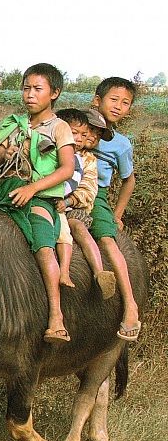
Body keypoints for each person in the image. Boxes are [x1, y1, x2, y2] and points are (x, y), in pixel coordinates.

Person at [0, 63, 76, 343]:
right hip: (4, 193)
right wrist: (5, 153)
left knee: (44, 246)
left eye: (37, 89)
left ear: (54, 93)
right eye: (26, 88)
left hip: (39, 197)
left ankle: (56, 317)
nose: (30, 95)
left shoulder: (60, 128)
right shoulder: (13, 126)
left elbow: (67, 169)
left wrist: (33, 187)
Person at [89, 77, 141, 341]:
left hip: (93, 196)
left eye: (126, 103)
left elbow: (128, 179)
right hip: (61, 189)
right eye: (114, 99)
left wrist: (117, 214)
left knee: (108, 240)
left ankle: (130, 305)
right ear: (96, 101)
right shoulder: (75, 126)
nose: (119, 106)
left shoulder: (121, 144)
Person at [53, 107, 116, 299]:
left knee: (78, 228)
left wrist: (70, 200)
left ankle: (99, 272)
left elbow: (89, 189)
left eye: (84, 135)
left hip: (74, 208)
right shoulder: (52, 152)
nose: (79, 139)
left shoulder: (88, 160)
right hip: (49, 202)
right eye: (75, 134)